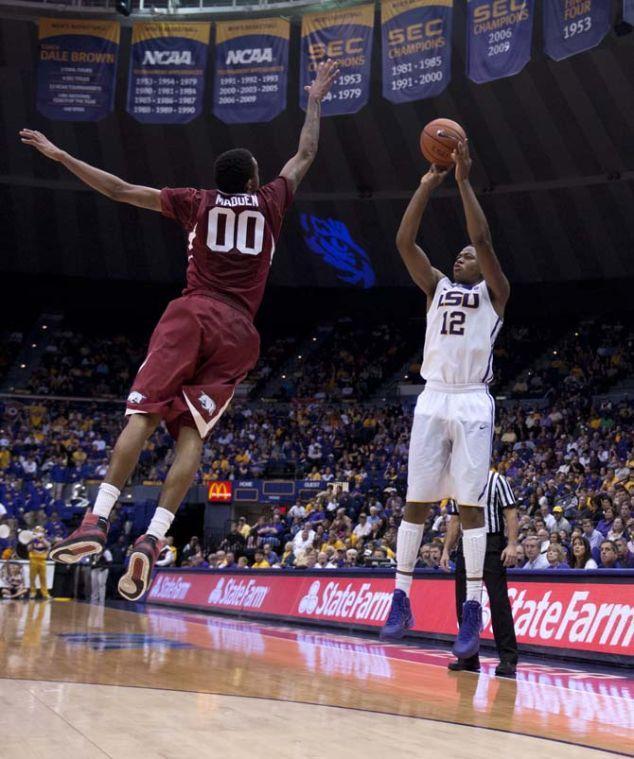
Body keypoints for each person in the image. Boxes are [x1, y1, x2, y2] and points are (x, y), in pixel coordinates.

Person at [23, 60, 339, 601]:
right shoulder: (272, 202)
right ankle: (153, 539)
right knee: (191, 436)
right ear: (252, 180)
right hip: (241, 331)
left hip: (193, 312)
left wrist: (61, 155)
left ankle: (96, 522)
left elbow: (120, 190)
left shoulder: (196, 201)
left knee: (143, 417)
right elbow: (306, 154)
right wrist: (314, 98)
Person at [380, 138, 510, 665]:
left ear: (482, 265)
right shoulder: (435, 287)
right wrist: (425, 186)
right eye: (456, 254)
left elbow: (481, 234)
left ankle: (472, 610)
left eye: (468, 255)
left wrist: (460, 181)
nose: (461, 255)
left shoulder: (496, 291)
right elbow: (404, 241)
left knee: (472, 507)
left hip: (473, 401)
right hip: (433, 398)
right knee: (416, 501)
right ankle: (401, 596)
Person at [441, 469, 519, 678]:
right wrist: (446, 549)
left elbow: (510, 513)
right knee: (464, 602)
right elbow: (455, 520)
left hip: (492, 542)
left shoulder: (497, 480)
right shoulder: (459, 482)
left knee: (499, 602)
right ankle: (468, 656)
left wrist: (512, 544)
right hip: (466, 543)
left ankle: (508, 659)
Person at [28, 526, 51, 600]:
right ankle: (32, 593)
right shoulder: (32, 540)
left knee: (43, 578)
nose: (39, 533)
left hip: (42, 561)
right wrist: (32, 541)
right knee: (32, 578)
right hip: (33, 560)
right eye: (38, 531)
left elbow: (48, 546)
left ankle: (45, 594)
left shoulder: (46, 540)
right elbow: (29, 549)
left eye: (41, 531)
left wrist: (42, 539)